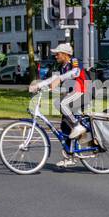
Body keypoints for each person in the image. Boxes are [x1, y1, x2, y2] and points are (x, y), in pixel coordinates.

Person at [28, 40, 89, 169]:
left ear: (65, 54)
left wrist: (60, 79)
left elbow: (75, 72)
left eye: (58, 54)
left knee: (62, 104)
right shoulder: (62, 67)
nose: (55, 56)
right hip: (74, 95)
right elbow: (53, 79)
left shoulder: (74, 61)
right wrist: (38, 85)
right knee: (65, 126)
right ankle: (70, 156)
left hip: (84, 93)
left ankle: (78, 126)